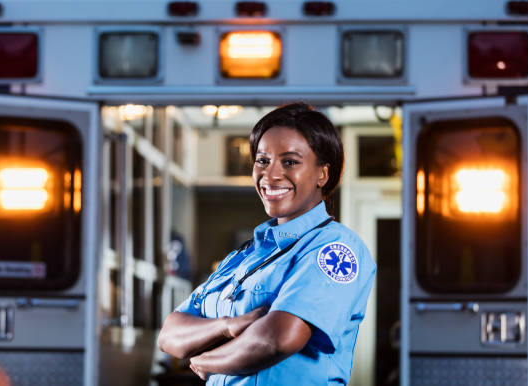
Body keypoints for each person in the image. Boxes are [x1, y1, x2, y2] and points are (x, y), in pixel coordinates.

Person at [157, 102, 376, 385]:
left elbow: (279, 338)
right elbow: (170, 334)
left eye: (290, 162)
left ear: (322, 174)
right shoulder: (243, 257)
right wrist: (229, 326)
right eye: (262, 161)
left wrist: (206, 360)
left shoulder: (334, 248)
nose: (270, 175)